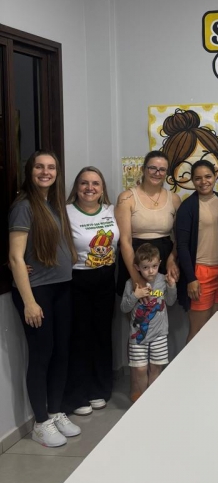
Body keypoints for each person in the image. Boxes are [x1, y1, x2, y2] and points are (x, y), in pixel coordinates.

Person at [8, 151, 81, 447]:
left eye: (51, 167)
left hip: (62, 287)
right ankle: (40, 423)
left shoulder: (54, 204)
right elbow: (15, 257)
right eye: (39, 167)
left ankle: (55, 411)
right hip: (38, 292)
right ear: (30, 171)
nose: (45, 172)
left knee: (61, 352)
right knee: (41, 356)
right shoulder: (23, 206)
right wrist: (29, 302)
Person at [63, 166, 119, 415]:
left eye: (95, 183)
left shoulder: (110, 210)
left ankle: (100, 389)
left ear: (102, 188)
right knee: (79, 336)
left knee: (102, 334)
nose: (90, 188)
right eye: (84, 183)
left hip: (106, 278)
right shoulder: (66, 212)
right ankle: (78, 394)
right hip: (77, 280)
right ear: (76, 187)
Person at [115, 150, 181, 295]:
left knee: (160, 302)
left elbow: (179, 237)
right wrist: (136, 276)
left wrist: (172, 259)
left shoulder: (174, 199)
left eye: (162, 169)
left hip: (164, 256)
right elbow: (125, 240)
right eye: (152, 168)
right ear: (143, 169)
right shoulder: (127, 198)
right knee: (135, 303)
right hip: (135, 258)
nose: (157, 173)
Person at [175, 160, 218, 342]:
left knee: (215, 328)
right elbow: (182, 245)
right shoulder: (187, 207)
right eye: (198, 178)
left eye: (208, 176)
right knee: (198, 331)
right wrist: (191, 278)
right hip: (200, 274)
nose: (203, 182)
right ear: (192, 180)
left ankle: (212, 361)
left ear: (215, 176)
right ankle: (191, 361)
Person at [120, 243, 177, 401]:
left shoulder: (162, 280)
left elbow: (171, 302)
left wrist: (172, 287)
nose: (150, 271)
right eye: (145, 267)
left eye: (154, 266)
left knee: (156, 367)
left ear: (159, 263)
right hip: (138, 336)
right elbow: (124, 308)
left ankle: (152, 400)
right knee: (140, 369)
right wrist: (135, 296)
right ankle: (144, 399)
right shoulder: (130, 284)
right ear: (137, 267)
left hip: (159, 334)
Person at [160, 108, 218, 192]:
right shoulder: (183, 201)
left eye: (208, 175)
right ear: (171, 179)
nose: (203, 181)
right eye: (187, 173)